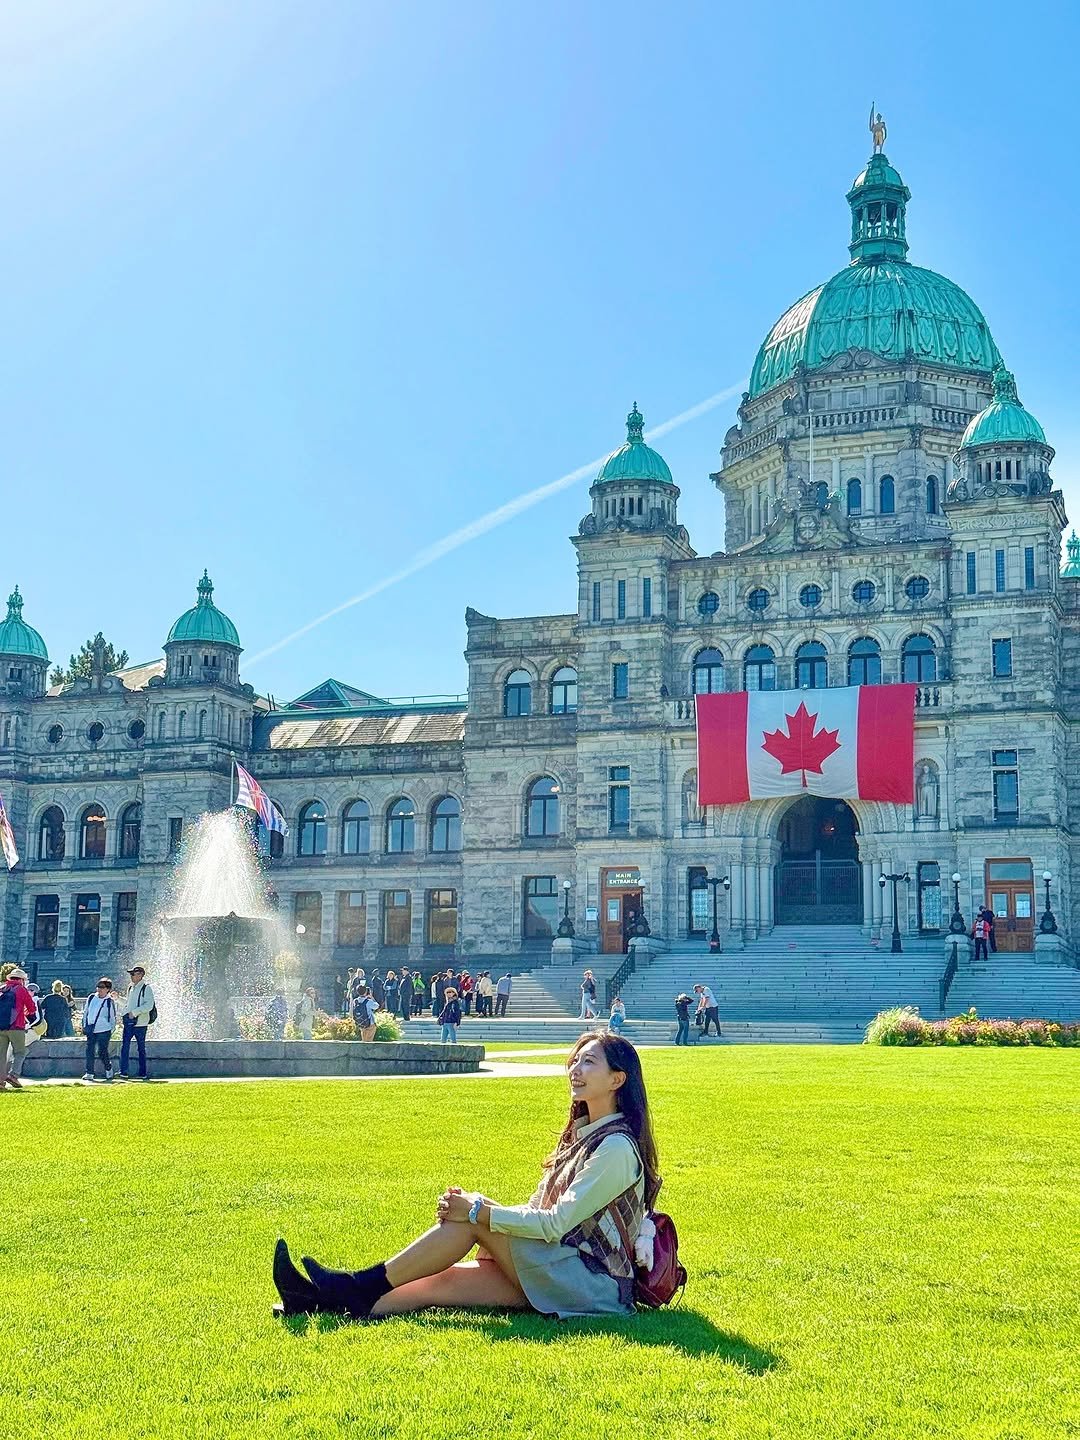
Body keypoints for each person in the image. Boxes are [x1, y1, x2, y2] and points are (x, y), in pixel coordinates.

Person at [272, 1033, 661, 1321]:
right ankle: (317, 1302)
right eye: (575, 1061)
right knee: (440, 1283)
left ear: (617, 1080)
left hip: (594, 1284)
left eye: (589, 1062)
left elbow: (556, 1223)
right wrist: (481, 1206)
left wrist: (477, 1211)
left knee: (468, 1221)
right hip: (561, 1267)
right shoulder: (582, 1135)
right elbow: (535, 1211)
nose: (575, 1070)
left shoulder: (615, 1149)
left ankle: (355, 1283)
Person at [0, 966, 38, 1090]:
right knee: (20, 1052)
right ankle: (13, 1075)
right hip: (16, 1026)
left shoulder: (2, 989)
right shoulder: (21, 990)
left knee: (1, 1055)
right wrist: (26, 1013)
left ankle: (0, 1082)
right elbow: (31, 1007)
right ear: (22, 980)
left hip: (1, 1027)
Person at [119, 965, 156, 1080]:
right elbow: (128, 1003)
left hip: (141, 1023)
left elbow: (149, 1005)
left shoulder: (146, 988)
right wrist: (118, 999)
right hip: (129, 1022)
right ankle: (123, 1071)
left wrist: (134, 1012)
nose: (131, 976)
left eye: (133, 974)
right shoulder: (130, 987)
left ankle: (142, 1073)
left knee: (141, 1048)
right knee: (124, 1047)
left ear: (140, 975)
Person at [82, 977, 118, 1082]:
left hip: (104, 1030)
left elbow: (112, 1017)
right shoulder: (91, 997)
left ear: (108, 989)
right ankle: (89, 1072)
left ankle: (108, 1068)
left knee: (102, 1052)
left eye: (102, 987)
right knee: (89, 1051)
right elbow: (86, 1012)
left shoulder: (109, 1001)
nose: (99, 989)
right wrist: (85, 1024)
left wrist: (111, 1029)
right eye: (98, 986)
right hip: (91, 1029)